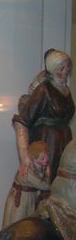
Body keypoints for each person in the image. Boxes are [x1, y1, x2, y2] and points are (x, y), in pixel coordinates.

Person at [13, 49, 73, 182]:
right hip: (48, 142)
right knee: (47, 181)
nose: (66, 71)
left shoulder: (66, 90)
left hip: (64, 142)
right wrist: (25, 157)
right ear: (52, 69)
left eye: (67, 67)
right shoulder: (43, 90)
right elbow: (22, 121)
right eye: (61, 68)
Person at [2, 140, 50, 228]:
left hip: (30, 197)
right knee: (18, 222)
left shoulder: (38, 167)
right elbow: (43, 185)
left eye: (47, 157)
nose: (46, 160)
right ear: (34, 158)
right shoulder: (27, 171)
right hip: (23, 199)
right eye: (43, 158)